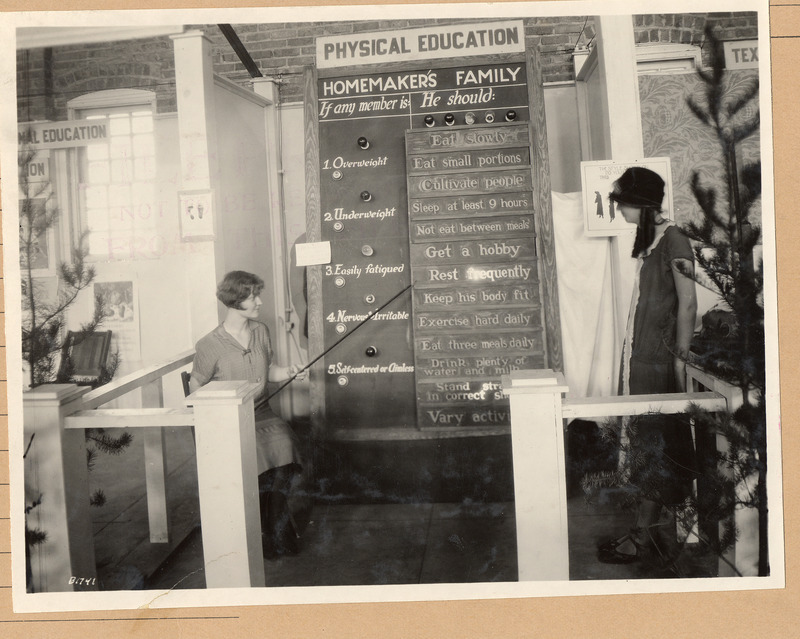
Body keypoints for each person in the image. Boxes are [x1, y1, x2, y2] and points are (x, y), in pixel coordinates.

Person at [597, 167, 698, 564]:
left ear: (641, 203)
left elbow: (687, 303)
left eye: (622, 203)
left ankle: (642, 539)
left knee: (653, 449)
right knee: (646, 447)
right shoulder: (654, 240)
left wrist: (679, 359)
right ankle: (646, 534)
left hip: (658, 360)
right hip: (642, 358)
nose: (619, 210)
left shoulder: (674, 239)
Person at [190, 270, 306, 558]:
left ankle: (275, 524)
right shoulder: (209, 344)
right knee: (254, 459)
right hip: (228, 421)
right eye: (253, 296)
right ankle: (262, 533)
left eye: (257, 294)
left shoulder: (260, 331)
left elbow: (268, 372)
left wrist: (289, 372)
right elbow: (196, 389)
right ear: (235, 299)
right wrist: (217, 422)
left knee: (286, 447)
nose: (259, 302)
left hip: (262, 412)